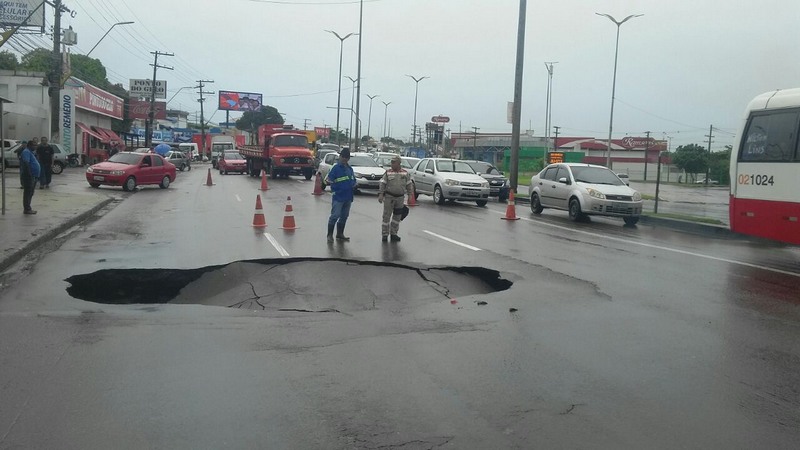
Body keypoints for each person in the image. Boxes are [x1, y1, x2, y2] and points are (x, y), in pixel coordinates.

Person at [377, 155, 413, 242]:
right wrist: (381, 194)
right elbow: (383, 183)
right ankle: (385, 234)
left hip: (400, 198)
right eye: (391, 162)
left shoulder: (405, 173)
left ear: (399, 163)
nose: (392, 164)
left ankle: (394, 234)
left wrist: (410, 195)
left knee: (397, 217)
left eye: (394, 162)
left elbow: (409, 184)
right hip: (389, 197)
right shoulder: (388, 172)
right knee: (386, 216)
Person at [325, 148, 356, 243]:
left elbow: (353, 179)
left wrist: (354, 183)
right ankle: (330, 235)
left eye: (346, 158)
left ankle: (340, 234)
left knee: (344, 216)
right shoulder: (336, 168)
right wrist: (334, 186)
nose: (344, 159)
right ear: (340, 157)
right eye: (343, 157)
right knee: (335, 216)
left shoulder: (350, 169)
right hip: (338, 196)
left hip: (348, 196)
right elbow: (328, 179)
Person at [20, 140, 41, 214]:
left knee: (31, 192)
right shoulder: (26, 152)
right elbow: (26, 163)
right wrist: (30, 174)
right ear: (30, 145)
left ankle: (28, 207)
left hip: (34, 175)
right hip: (29, 175)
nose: (36, 147)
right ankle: (27, 208)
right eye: (34, 145)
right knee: (28, 192)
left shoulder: (31, 152)